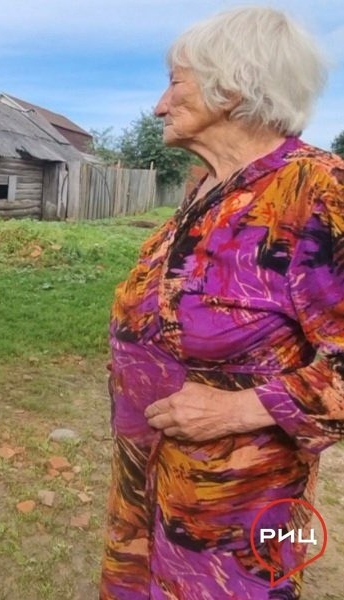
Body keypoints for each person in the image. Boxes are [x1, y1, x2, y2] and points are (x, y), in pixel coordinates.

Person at [100, 7, 344, 599]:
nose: (160, 105)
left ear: (231, 88)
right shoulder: (206, 188)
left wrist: (238, 411)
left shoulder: (316, 192)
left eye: (175, 83)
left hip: (234, 514)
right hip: (147, 485)